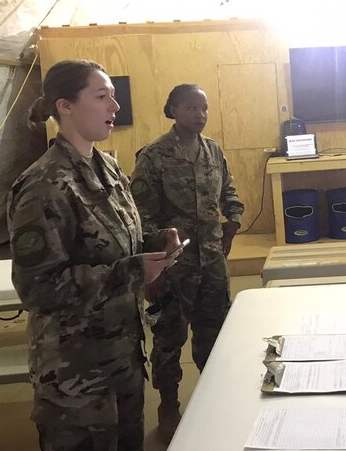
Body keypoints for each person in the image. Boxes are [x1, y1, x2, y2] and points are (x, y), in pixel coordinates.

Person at [8, 59, 181, 451]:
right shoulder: (44, 186)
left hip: (123, 360)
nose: (114, 107)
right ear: (65, 106)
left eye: (113, 96)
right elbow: (38, 289)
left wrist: (155, 243)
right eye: (102, 96)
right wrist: (132, 272)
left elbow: (114, 243)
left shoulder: (109, 168)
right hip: (76, 379)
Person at [130, 83, 244, 443]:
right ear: (173, 110)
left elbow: (227, 190)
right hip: (173, 266)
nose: (200, 114)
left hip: (211, 261)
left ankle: (215, 400)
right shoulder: (153, 156)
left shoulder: (213, 151)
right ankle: (169, 406)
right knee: (169, 339)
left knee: (216, 334)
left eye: (204, 108)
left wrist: (234, 218)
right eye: (192, 107)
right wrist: (155, 263)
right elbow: (140, 214)